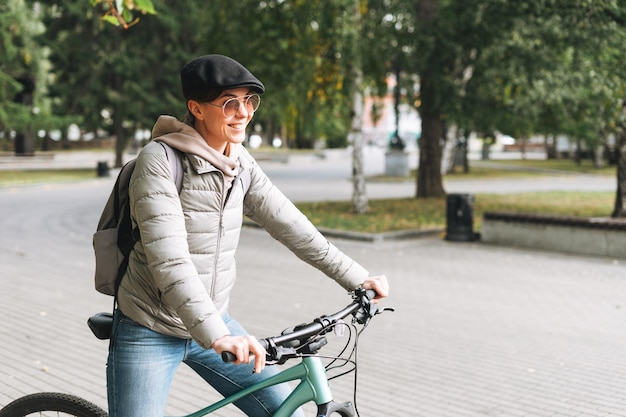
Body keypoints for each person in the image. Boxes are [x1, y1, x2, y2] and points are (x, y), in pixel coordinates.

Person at [106, 54, 389, 417]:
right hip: (150, 325)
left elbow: (291, 225)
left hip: (213, 321)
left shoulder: (239, 163)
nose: (244, 112)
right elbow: (171, 262)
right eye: (229, 103)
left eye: (249, 101)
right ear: (196, 108)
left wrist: (356, 277)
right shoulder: (159, 162)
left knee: (284, 411)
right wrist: (217, 335)